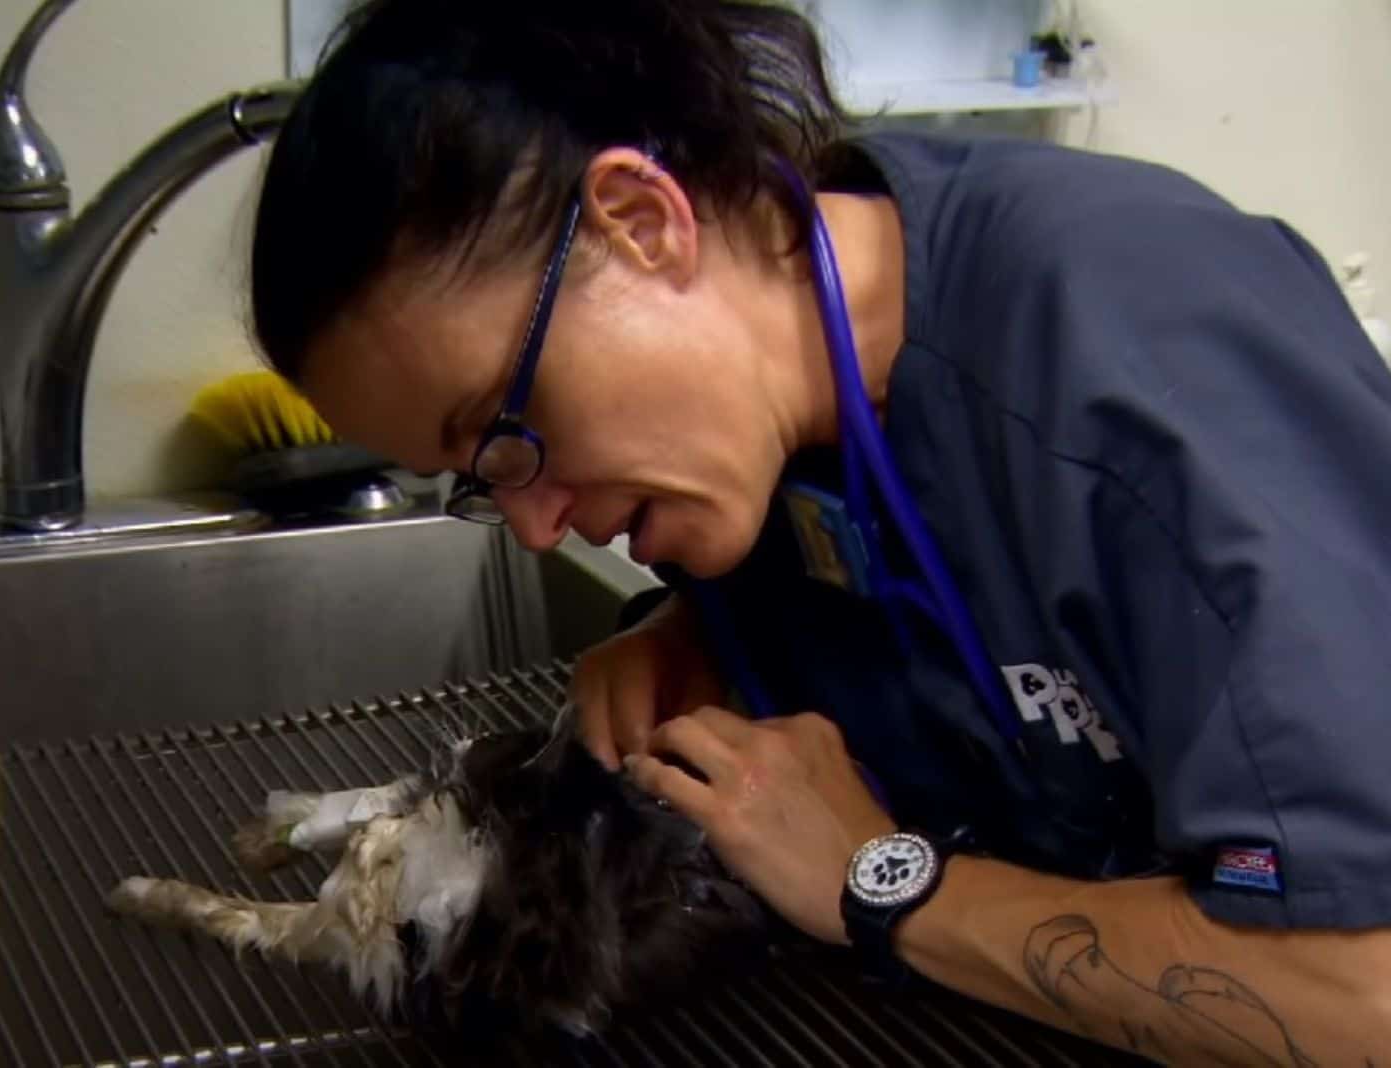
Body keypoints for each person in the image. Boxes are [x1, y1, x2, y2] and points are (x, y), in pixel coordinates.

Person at [246, 0, 1391, 1061]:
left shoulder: (1136, 350)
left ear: (642, 225)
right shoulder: (770, 416)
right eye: (483, 482)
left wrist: (880, 883)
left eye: (506, 429)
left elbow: (1361, 991)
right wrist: (702, 632)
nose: (538, 530)